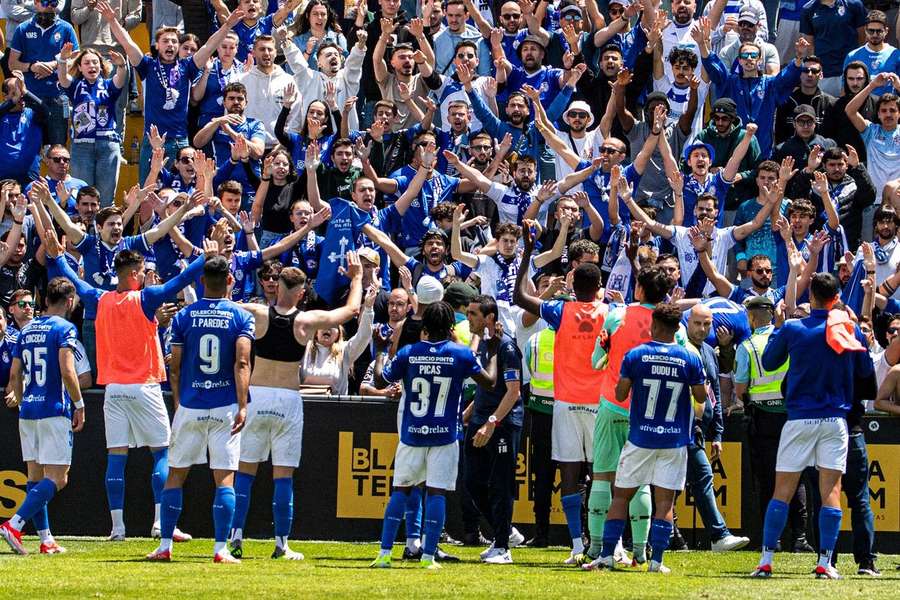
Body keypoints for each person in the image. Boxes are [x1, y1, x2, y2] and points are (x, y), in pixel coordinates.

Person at [45, 226, 212, 542]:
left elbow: (78, 285)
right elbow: (181, 281)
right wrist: (207, 257)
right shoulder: (146, 297)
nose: (146, 274)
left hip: (114, 390)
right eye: (143, 270)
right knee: (162, 454)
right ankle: (161, 524)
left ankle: (117, 529)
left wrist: (59, 258)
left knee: (116, 458)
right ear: (134, 273)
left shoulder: (101, 299)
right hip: (145, 385)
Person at [228, 259, 364, 560]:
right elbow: (350, 311)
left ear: (277, 286)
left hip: (258, 395)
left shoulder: (258, 313)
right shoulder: (306, 321)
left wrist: (226, 268)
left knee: (246, 472)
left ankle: (235, 538)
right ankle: (281, 543)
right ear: (301, 292)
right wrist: (357, 278)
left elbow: (223, 303)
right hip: (288, 399)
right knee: (283, 475)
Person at [752, 273, 874, 578]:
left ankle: (766, 560)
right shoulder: (850, 331)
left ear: (812, 297)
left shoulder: (793, 328)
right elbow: (866, 379)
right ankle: (824, 563)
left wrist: (782, 329)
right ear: (837, 299)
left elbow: (768, 362)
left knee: (782, 491)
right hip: (835, 419)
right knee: (831, 491)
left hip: (799, 418)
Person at [371, 301, 496, 569]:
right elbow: (489, 382)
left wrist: (381, 349)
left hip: (412, 433)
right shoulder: (460, 354)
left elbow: (380, 380)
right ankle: (428, 556)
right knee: (436, 493)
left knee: (400, 491)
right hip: (444, 435)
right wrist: (493, 351)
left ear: (424, 327)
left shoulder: (408, 353)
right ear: (451, 328)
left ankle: (383, 553)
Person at [583, 303, 707, 574]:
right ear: (678, 328)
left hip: (640, 437)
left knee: (620, 497)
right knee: (665, 502)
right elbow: (700, 397)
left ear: (653, 325)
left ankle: (605, 555)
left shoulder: (636, 355)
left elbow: (619, 394)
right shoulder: (690, 358)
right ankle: (656, 561)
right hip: (674, 440)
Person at [145, 255, 254, 563]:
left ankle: (165, 544)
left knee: (175, 476)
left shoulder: (183, 317)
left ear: (200, 281)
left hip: (191, 405)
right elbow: (242, 363)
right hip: (225, 406)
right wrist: (243, 406)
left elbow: (175, 368)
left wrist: (179, 404)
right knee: (224, 478)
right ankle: (220, 548)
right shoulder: (241, 317)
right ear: (230, 281)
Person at [513, 225, 606, 565]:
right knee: (599, 475)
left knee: (568, 476)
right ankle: (601, 544)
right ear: (598, 288)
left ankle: (578, 546)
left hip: (564, 404)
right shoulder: (609, 313)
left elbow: (520, 298)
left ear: (572, 285)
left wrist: (527, 251)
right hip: (599, 405)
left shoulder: (560, 312)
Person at [583, 265, 672, 567]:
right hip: (647, 412)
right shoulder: (670, 325)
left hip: (611, 404)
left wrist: (612, 355)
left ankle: (595, 548)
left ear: (639, 289)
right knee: (641, 481)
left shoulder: (616, 316)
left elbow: (596, 362)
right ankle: (641, 551)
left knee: (603, 476)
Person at [0, 277, 85, 555]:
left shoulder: (25, 331)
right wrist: (79, 404)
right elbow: (67, 370)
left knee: (35, 477)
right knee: (59, 477)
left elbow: (14, 375)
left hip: (29, 411)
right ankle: (14, 524)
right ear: (69, 302)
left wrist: (23, 398)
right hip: (53, 409)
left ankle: (46, 539)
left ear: (45, 300)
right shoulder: (65, 328)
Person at [735, 294, 816, 553]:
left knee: (768, 481)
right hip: (792, 415)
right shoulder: (789, 337)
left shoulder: (747, 345)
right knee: (798, 477)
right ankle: (800, 539)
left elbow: (739, 388)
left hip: (763, 418)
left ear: (750, 317)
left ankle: (774, 540)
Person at [464, 294, 523, 564]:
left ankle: (502, 547)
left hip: (502, 425)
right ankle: (505, 532)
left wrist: (492, 421)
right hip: (479, 421)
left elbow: (512, 392)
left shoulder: (507, 348)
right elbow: (489, 385)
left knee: (501, 485)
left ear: (489, 318)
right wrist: (470, 411)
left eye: (473, 314)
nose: (468, 319)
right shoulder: (485, 345)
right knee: (472, 482)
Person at [56, 44, 128, 206]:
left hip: (107, 146)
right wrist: (62, 60)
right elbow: (63, 78)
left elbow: (120, 79)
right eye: (87, 63)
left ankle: (103, 230)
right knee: (82, 197)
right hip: (81, 147)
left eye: (95, 62)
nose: (92, 66)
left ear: (101, 66)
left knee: (106, 198)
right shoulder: (74, 86)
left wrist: (122, 65)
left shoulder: (109, 85)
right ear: (80, 68)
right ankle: (84, 230)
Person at [7, 0, 79, 146]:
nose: (50, 6)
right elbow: (12, 63)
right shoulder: (23, 28)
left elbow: (75, 58)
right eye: (46, 2)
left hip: (58, 96)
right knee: (27, 146)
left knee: (58, 146)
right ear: (36, 3)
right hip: (29, 97)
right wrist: (32, 67)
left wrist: (52, 65)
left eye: (54, 2)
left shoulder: (66, 28)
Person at [799, 0, 868, 96]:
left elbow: (862, 37)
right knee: (825, 108)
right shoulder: (808, 9)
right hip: (825, 71)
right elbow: (810, 45)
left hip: (851, 72)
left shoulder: (854, 4)